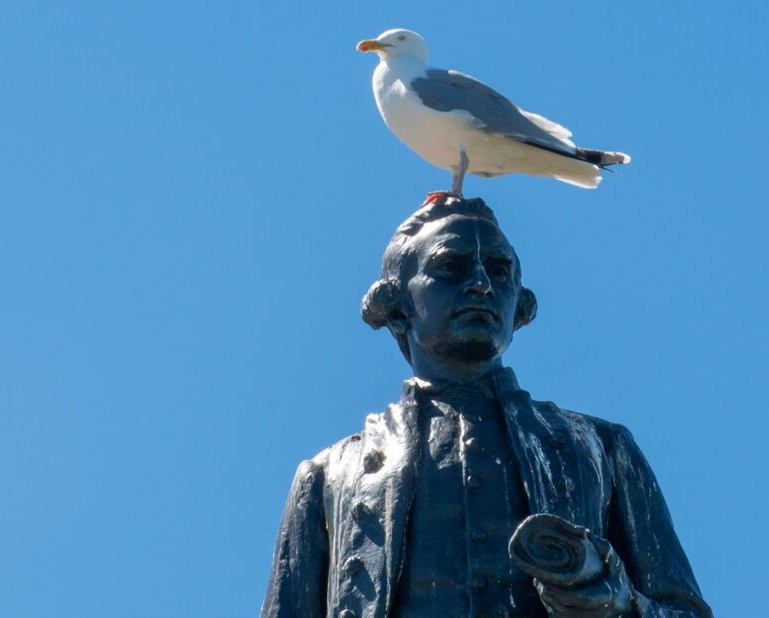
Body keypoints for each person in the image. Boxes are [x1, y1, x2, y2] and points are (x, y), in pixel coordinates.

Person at [261, 198, 711, 618]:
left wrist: (620, 601)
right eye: (450, 268)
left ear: (521, 306)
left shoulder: (603, 449)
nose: (480, 283)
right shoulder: (328, 477)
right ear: (396, 306)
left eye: (498, 271)